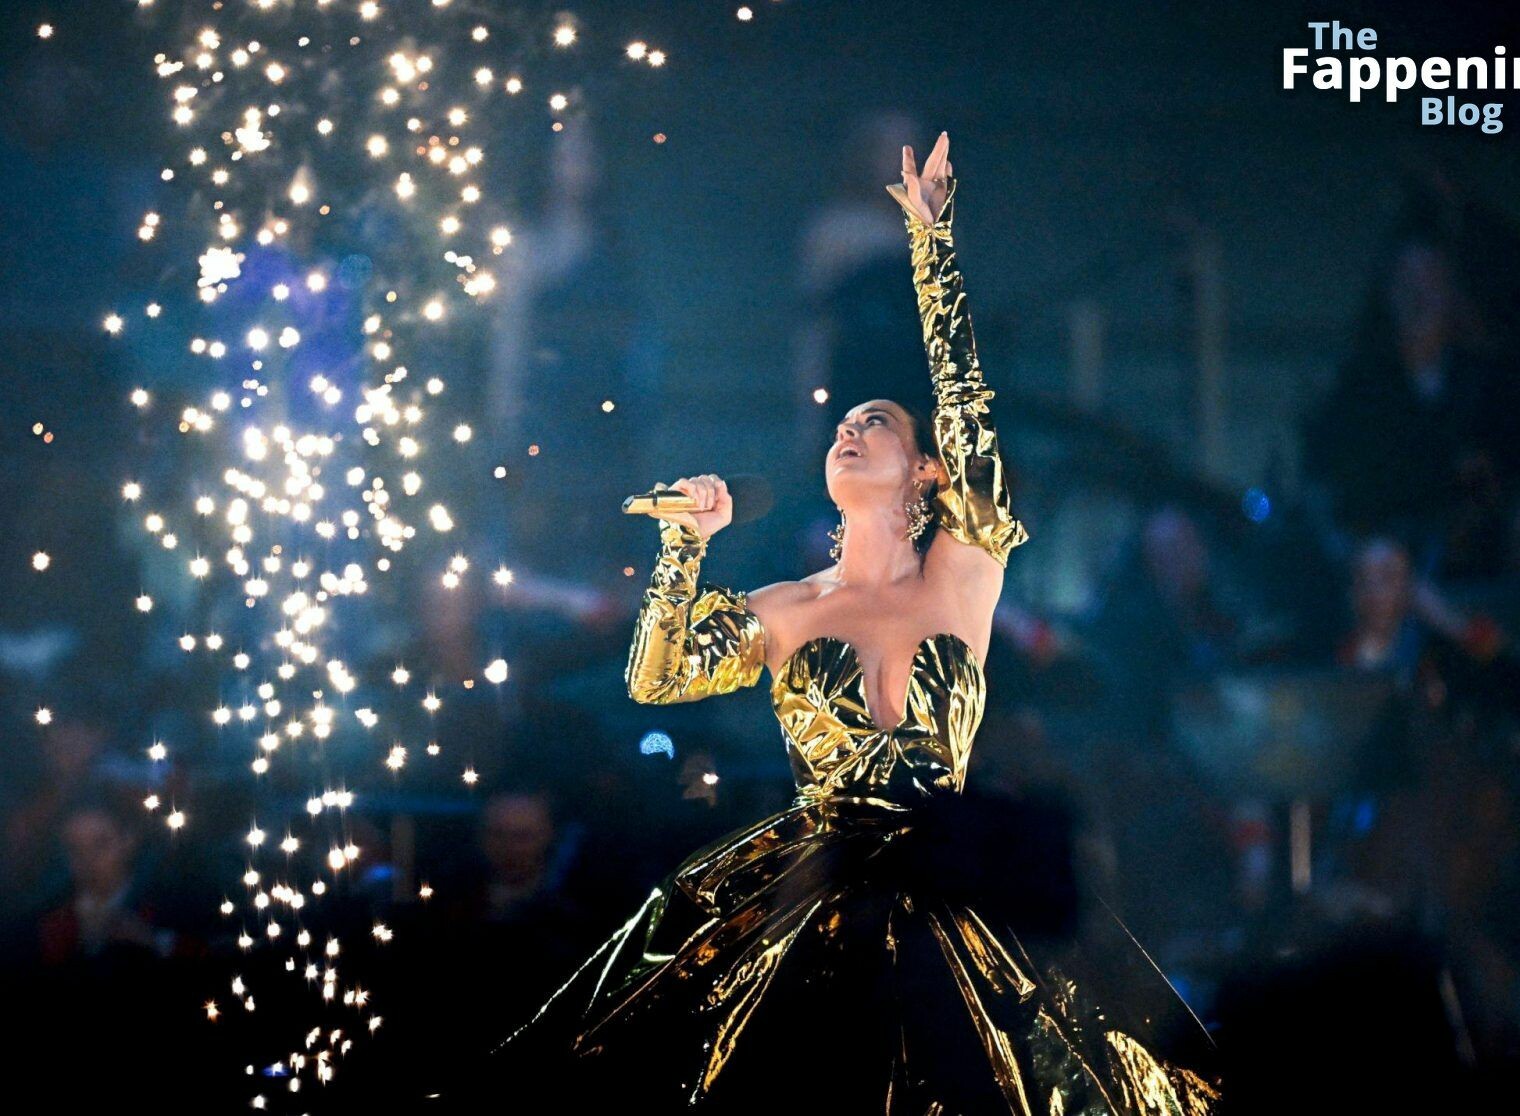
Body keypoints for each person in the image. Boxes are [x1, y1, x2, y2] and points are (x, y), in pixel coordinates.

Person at [432, 133, 1221, 1114]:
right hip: (816, 888)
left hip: (945, 892)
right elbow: (656, 678)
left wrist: (931, 250)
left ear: (925, 469)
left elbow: (970, 414)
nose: (849, 430)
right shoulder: (789, 606)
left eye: (875, 422)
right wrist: (684, 550)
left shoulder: (959, 578)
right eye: (842, 427)